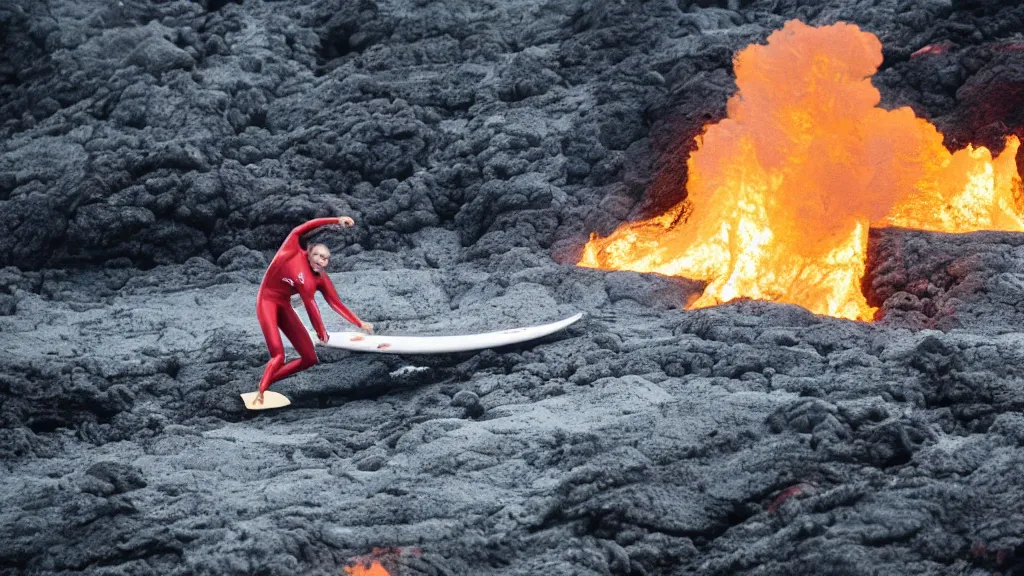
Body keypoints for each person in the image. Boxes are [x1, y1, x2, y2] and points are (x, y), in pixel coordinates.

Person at [252, 216, 373, 406]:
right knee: (278, 355)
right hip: (267, 301)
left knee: (309, 358)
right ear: (309, 253)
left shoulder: (318, 279)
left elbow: (335, 303)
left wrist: (359, 323)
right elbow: (305, 226)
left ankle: (267, 382)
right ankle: (260, 392)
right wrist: (337, 220)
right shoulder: (291, 250)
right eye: (317, 255)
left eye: (325, 259)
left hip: (284, 304)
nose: (320, 261)